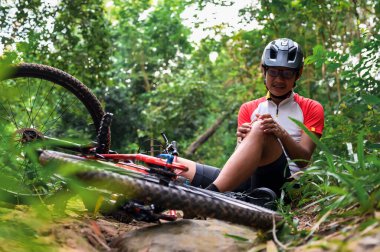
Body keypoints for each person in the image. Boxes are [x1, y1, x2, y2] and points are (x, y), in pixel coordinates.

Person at [177, 38, 324, 200]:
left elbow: (303, 160)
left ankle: (210, 196)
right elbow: (240, 161)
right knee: (174, 164)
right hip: (250, 180)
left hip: (287, 185)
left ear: (299, 73)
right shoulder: (248, 108)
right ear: (264, 70)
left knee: (262, 127)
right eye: (273, 72)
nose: (279, 80)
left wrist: (280, 133)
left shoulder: (312, 107)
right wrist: (242, 139)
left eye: (287, 73)